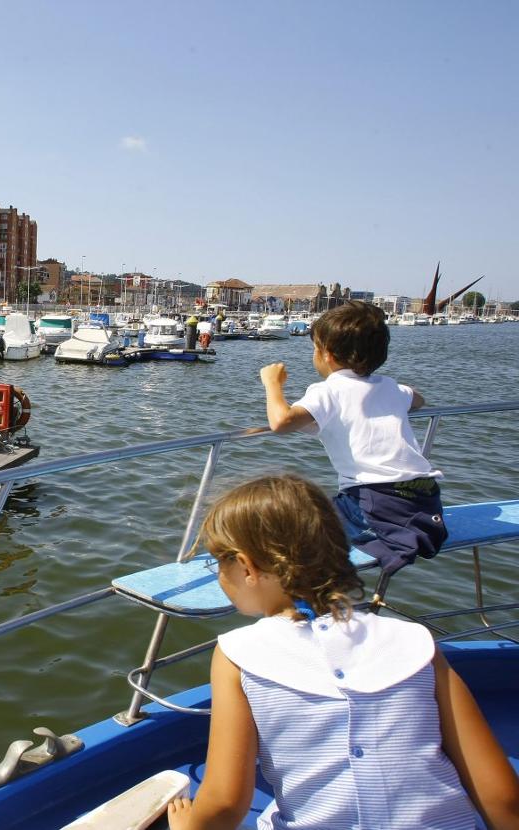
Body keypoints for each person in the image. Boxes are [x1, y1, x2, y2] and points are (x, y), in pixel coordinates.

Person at [167, 475, 519, 830]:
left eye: (217, 562)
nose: (218, 574)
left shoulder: (238, 654)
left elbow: (225, 803)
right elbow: (502, 798)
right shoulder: (416, 643)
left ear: (246, 567)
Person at [258, 300, 445, 575]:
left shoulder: (329, 390)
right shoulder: (390, 386)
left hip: (375, 503)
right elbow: (418, 399)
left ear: (327, 355)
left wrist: (272, 384)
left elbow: (281, 422)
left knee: (295, 524)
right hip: (424, 499)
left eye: (315, 348)